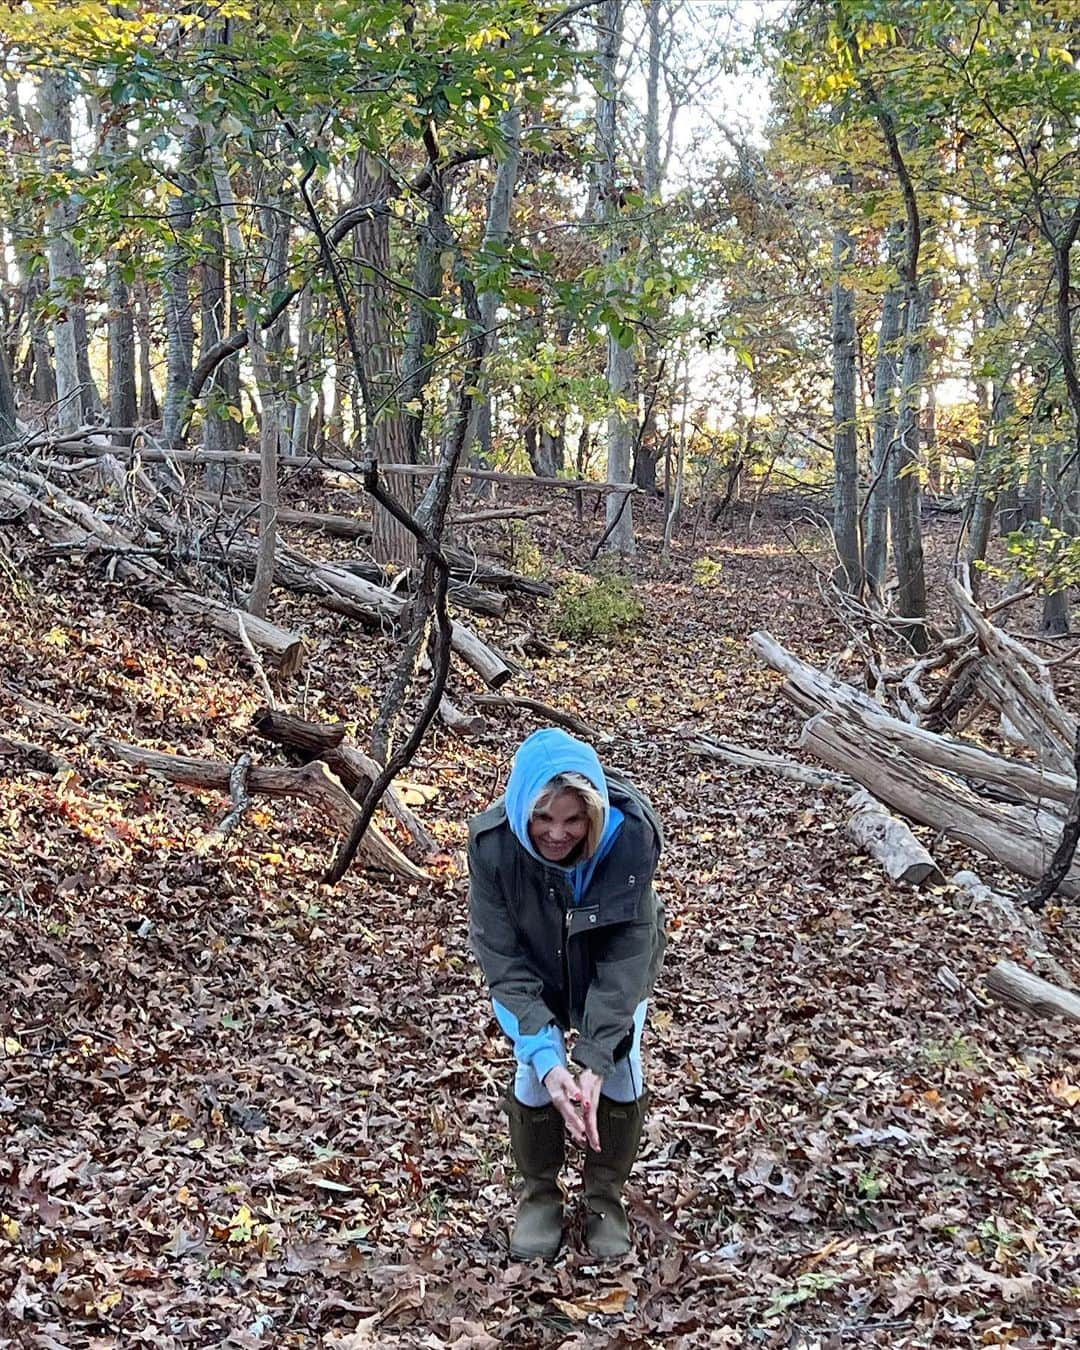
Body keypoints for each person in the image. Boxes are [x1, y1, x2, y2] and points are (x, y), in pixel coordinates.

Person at [468, 727, 665, 1261]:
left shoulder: (630, 840)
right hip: (535, 964)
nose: (557, 833)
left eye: (574, 819)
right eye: (544, 818)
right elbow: (503, 964)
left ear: (593, 814)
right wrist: (551, 1057)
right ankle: (538, 1198)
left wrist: (596, 1058)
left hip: (609, 964)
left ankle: (604, 1197)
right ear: (522, 810)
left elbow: (627, 957)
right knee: (535, 1068)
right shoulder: (492, 848)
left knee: (622, 1066)